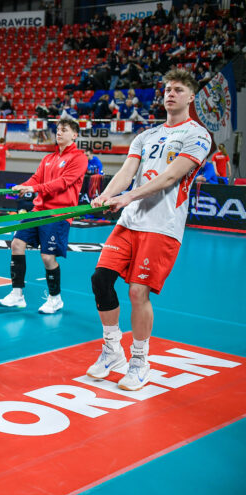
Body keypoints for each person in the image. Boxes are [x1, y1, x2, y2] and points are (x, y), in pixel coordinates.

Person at [86, 69, 212, 391]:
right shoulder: (145, 136)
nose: (171, 94)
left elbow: (170, 177)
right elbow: (126, 173)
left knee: (137, 292)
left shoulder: (197, 135)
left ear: (191, 96)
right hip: (130, 221)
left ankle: (140, 361)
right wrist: (106, 195)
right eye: (168, 89)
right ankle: (112, 350)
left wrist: (127, 197)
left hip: (162, 225)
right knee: (101, 279)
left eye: (178, 89)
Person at [0, 119, 87, 314]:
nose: (59, 133)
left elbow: (63, 183)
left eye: (64, 130)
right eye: (58, 130)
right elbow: (36, 178)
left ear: (75, 135)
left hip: (59, 214)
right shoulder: (48, 158)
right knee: (16, 244)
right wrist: (23, 186)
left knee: (47, 257)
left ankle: (55, 299)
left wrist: (34, 188)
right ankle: (17, 295)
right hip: (38, 211)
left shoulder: (79, 158)